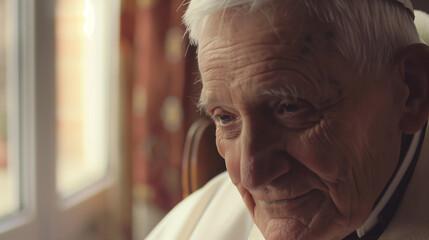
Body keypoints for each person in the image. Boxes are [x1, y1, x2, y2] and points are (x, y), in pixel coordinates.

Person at [146, 0, 429, 239]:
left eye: (290, 108)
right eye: (225, 118)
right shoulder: (195, 228)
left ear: (411, 92)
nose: (251, 174)